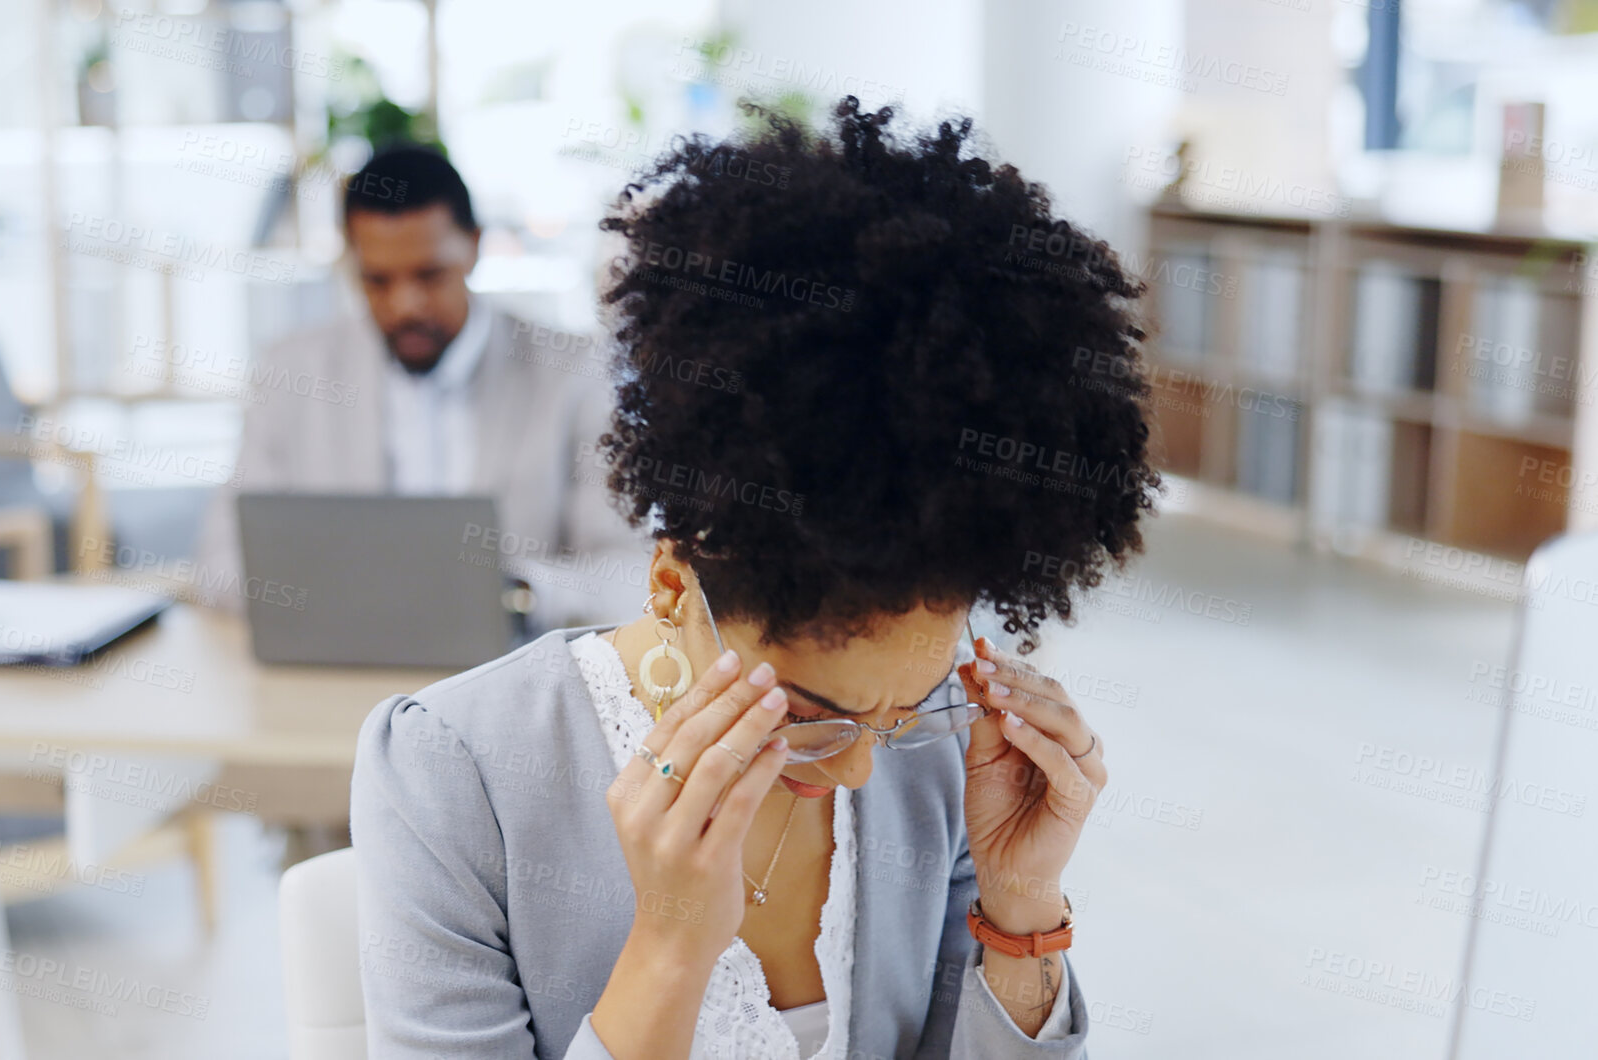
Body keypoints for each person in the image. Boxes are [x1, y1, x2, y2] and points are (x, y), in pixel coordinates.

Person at [351, 98, 1159, 1058]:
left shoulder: (939, 755)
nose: (865, 766)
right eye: (815, 713)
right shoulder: (456, 773)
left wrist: (1020, 911)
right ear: (668, 584)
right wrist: (668, 945)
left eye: (902, 708)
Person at [196, 144, 647, 629]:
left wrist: (511, 594)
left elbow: (633, 573)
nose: (405, 305)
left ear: (474, 246)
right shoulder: (293, 373)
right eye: (377, 280)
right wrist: (354, 592)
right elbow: (222, 563)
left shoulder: (576, 373)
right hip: (335, 674)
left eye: (429, 275)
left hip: (512, 675)